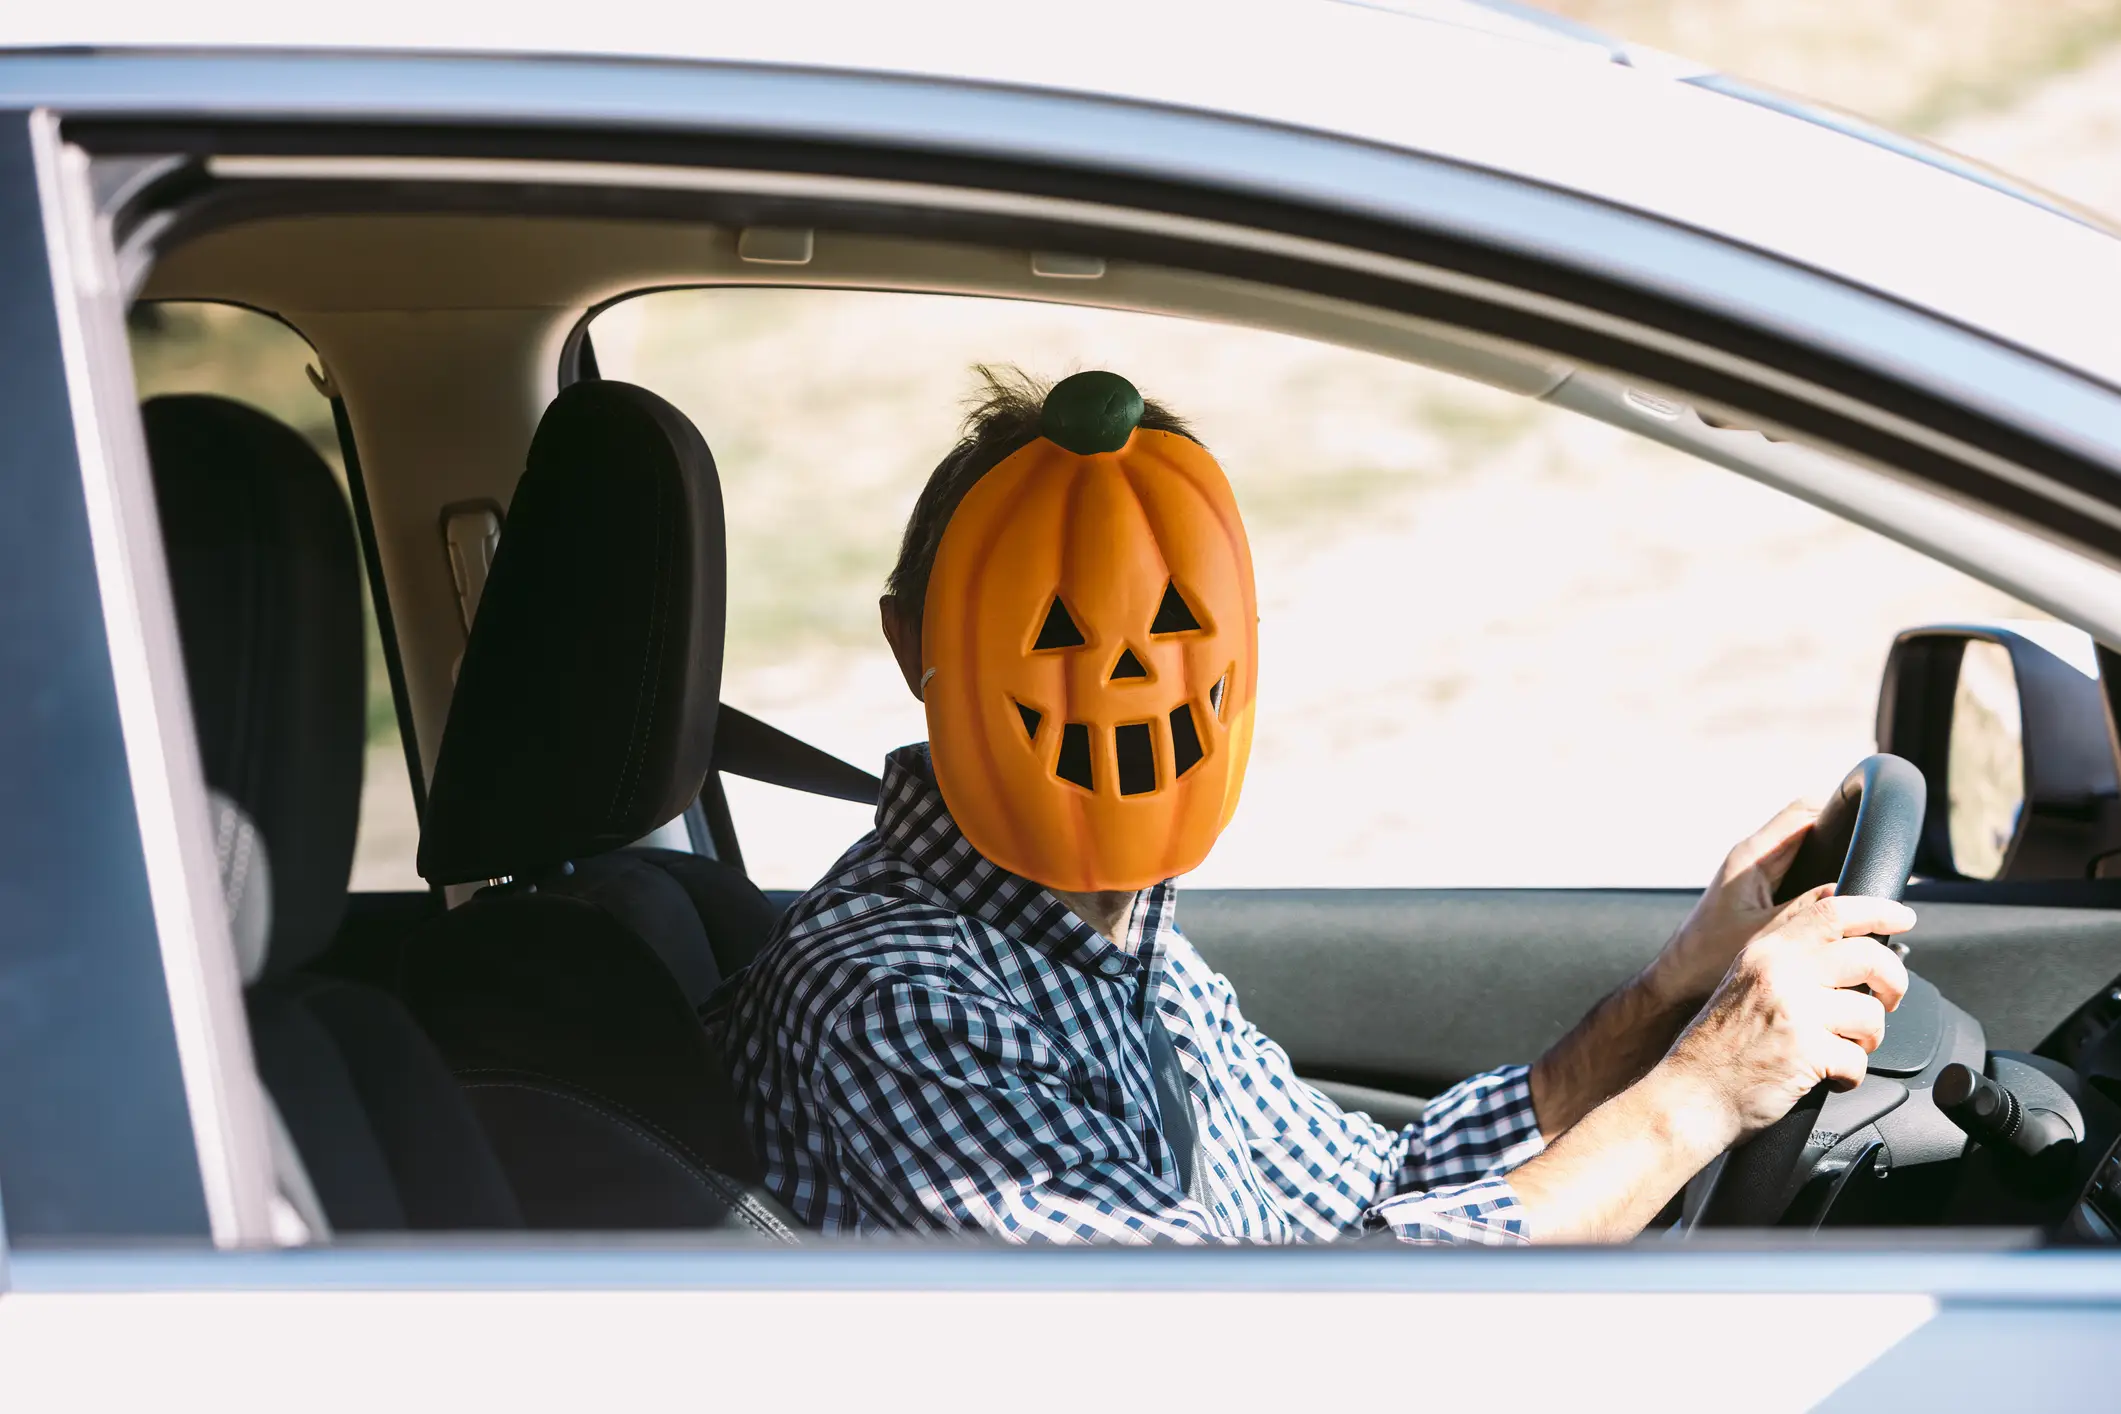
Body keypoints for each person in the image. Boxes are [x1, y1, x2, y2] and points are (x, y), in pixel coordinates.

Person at [707, 367, 1912, 1244]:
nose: (1132, 676)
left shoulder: (1116, 936)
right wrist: (1693, 1098)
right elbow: (1258, 1357)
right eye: (1060, 629)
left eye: (1178, 619)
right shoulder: (894, 994)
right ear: (912, 642)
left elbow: (1372, 1186)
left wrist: (1672, 998)